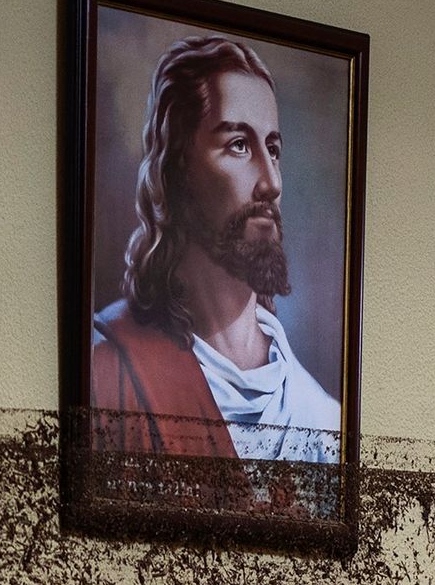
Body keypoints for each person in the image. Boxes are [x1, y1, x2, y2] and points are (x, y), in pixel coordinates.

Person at [86, 32, 343, 468]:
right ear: (177, 170)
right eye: (238, 145)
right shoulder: (108, 374)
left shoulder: (322, 422)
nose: (271, 183)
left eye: (274, 150)